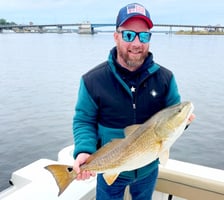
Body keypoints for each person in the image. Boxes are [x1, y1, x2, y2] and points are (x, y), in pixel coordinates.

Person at [72, 3, 195, 200]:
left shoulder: (165, 78)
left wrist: (184, 121)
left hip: (148, 169)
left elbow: (172, 118)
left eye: (144, 36)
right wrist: (85, 151)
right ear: (116, 36)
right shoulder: (92, 80)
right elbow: (84, 120)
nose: (137, 43)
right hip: (109, 167)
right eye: (129, 35)